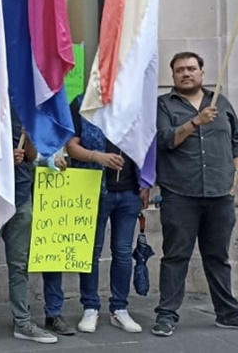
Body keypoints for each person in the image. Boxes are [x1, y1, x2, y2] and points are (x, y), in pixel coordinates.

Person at [151, 52, 238, 336]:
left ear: (202, 72)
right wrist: (195, 122)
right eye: (179, 70)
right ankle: (166, 315)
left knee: (218, 257)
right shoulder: (164, 105)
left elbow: (237, 141)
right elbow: (165, 140)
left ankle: (228, 313)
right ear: (172, 76)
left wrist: (236, 176)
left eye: (191, 69)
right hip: (179, 192)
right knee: (176, 256)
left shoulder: (221, 102)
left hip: (219, 193)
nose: (185, 74)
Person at [0, 112, 56, 352]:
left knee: (20, 265)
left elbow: (33, 155)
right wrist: (4, 160)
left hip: (20, 197)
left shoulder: (24, 107)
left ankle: (23, 322)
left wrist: (27, 140)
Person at [60, 95, 146, 334]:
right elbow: (72, 146)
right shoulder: (82, 102)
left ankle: (120, 308)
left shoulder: (135, 102)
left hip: (129, 191)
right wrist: (98, 157)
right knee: (90, 252)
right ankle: (90, 307)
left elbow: (147, 143)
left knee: (122, 252)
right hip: (93, 189)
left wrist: (147, 182)